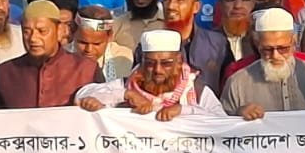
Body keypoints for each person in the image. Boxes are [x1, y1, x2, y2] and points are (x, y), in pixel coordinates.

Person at [79, 30, 225, 120]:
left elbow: (222, 122)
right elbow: (81, 96)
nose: (157, 70)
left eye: (166, 63)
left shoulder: (197, 91)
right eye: (150, 63)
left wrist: (183, 110)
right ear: (142, 62)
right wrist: (127, 95)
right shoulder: (125, 85)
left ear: (179, 62)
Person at [0, 0, 102, 109]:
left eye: (42, 31)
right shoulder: (6, 72)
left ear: (59, 30)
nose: (33, 38)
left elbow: (109, 114)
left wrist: (97, 105)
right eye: (27, 32)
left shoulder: (87, 69)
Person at [222, 8, 305, 117]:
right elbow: (221, 124)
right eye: (267, 49)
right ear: (257, 44)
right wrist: (238, 113)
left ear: (294, 41)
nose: (275, 56)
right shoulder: (238, 83)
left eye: (282, 48)